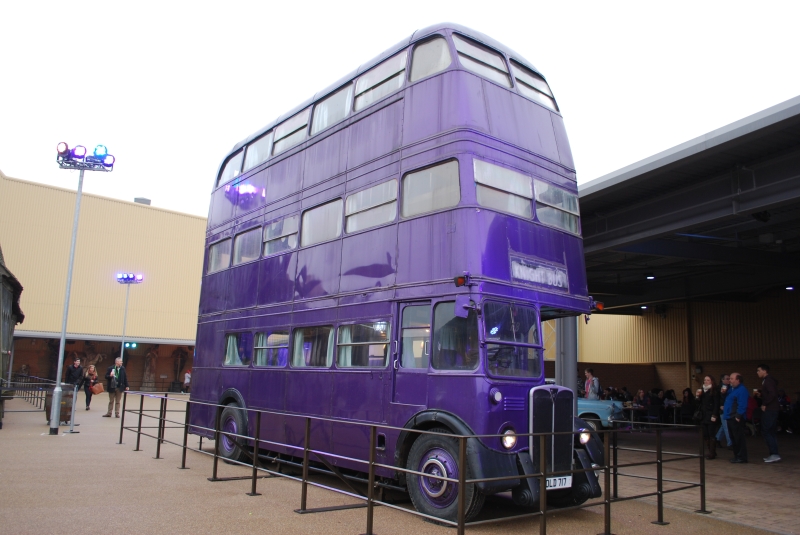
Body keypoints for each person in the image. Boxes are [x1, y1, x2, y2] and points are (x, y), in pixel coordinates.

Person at [756, 364, 780, 463]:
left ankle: (774, 453)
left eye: (759, 370)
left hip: (770, 409)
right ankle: (774, 453)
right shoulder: (768, 380)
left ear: (764, 371)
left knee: (766, 430)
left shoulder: (768, 380)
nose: (757, 372)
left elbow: (772, 393)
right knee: (771, 431)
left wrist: (765, 403)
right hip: (773, 409)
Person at [724, 372, 749, 463]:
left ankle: (741, 456)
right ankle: (737, 455)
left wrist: (738, 415)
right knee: (733, 438)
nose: (730, 380)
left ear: (738, 380)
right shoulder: (732, 389)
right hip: (729, 417)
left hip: (735, 417)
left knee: (738, 438)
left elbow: (742, 404)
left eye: (731, 379)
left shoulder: (742, 390)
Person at [699, 375, 720, 459]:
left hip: (711, 415)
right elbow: (698, 403)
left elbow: (716, 404)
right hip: (703, 416)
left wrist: (714, 415)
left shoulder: (714, 391)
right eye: (705, 380)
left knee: (711, 434)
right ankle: (711, 451)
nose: (706, 381)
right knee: (705, 434)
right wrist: (698, 396)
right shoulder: (702, 391)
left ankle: (712, 453)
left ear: (712, 381)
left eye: (708, 380)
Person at [715, 374, 732, 448]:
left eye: (729, 379)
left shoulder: (729, 387)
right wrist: (720, 406)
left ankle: (717, 439)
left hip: (727, 408)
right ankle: (730, 443)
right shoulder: (720, 389)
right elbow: (718, 399)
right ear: (722, 380)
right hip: (723, 409)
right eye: (727, 379)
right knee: (726, 426)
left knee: (724, 426)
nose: (729, 380)